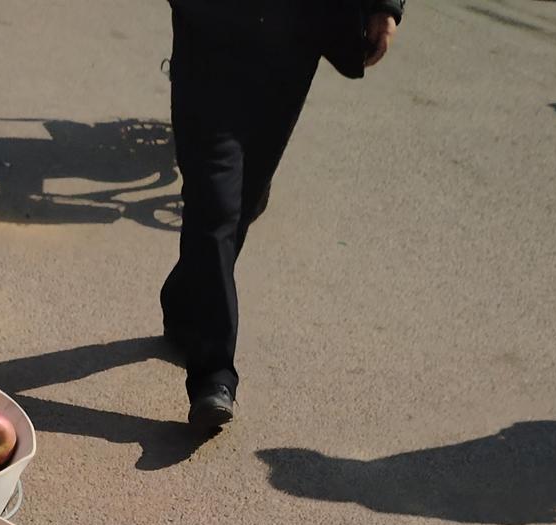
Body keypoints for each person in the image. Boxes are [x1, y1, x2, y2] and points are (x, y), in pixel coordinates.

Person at [161, 1, 404, 432]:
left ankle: (185, 300)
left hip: (295, 36)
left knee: (245, 201)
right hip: (211, 32)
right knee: (214, 202)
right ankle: (213, 376)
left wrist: (385, 5)